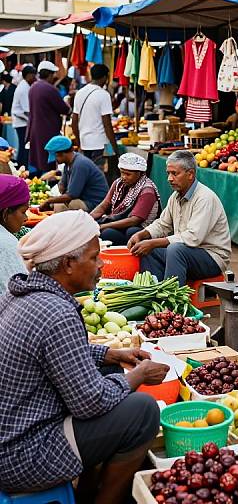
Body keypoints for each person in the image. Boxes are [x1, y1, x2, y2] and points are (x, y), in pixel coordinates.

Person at [0, 210, 169, 503]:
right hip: (23, 454)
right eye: (94, 257)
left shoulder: (20, 294)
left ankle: (88, 488)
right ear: (68, 264)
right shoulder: (56, 312)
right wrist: (138, 375)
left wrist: (110, 354)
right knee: (142, 411)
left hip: (11, 435)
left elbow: (52, 353)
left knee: (110, 375)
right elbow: (90, 403)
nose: (101, 264)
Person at [127, 150, 231, 285]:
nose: (169, 178)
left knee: (175, 250)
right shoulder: (176, 196)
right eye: (168, 173)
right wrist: (143, 234)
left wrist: (153, 243)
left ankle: (172, 301)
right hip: (188, 252)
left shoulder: (204, 198)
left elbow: (193, 237)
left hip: (212, 257)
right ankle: (152, 295)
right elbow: (162, 224)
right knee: (147, 251)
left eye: (175, 173)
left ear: (191, 174)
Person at [91, 153, 160, 245]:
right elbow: (104, 205)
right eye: (122, 173)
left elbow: (135, 220)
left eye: (128, 174)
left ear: (140, 173)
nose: (123, 177)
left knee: (124, 232)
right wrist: (88, 219)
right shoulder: (118, 183)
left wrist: (103, 226)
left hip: (140, 228)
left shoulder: (147, 191)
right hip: (122, 224)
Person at [39, 136, 108, 213]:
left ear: (62, 153)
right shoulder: (67, 164)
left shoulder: (80, 164)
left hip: (94, 203)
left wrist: (49, 201)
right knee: (52, 204)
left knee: (60, 206)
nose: (55, 160)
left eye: (56, 156)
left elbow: (71, 195)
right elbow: (62, 186)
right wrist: (51, 197)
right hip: (81, 199)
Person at [72, 64, 120, 166]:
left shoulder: (80, 93)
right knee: (100, 176)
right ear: (104, 77)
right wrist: (115, 149)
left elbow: (74, 121)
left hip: (85, 144)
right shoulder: (104, 95)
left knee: (88, 177)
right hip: (101, 145)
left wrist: (79, 142)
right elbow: (107, 124)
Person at [27, 61, 70, 174]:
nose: (54, 77)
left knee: (40, 160)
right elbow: (64, 109)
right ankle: (49, 184)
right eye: (53, 74)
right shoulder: (49, 89)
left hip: (36, 129)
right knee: (48, 161)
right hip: (47, 130)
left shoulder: (33, 87)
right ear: (49, 74)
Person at [0, 174, 29, 293]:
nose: (26, 218)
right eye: (23, 212)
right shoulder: (5, 243)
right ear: (6, 212)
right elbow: (20, 294)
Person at [11, 65, 36, 166]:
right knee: (24, 145)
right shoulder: (24, 88)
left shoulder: (25, 85)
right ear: (28, 75)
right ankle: (22, 166)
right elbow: (27, 110)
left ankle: (23, 166)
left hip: (22, 121)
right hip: (21, 122)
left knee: (24, 145)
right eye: (33, 75)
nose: (34, 77)